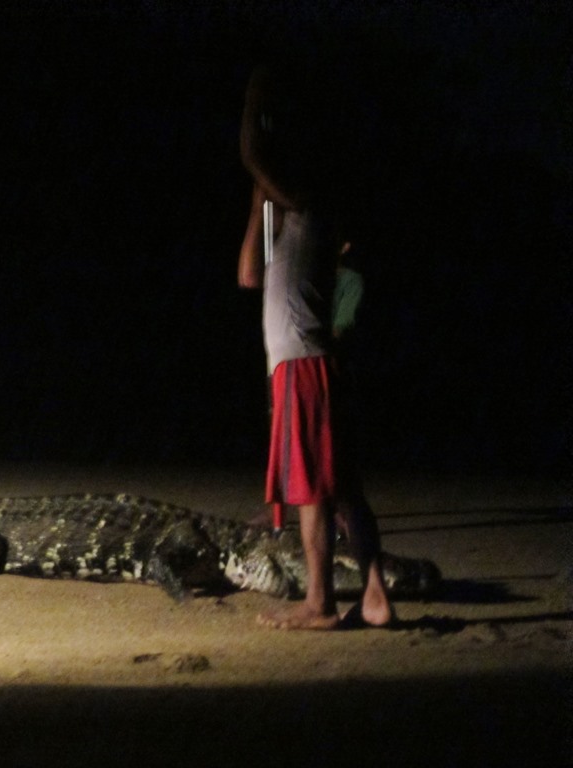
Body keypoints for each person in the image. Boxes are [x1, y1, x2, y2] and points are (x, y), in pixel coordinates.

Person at [238, 64, 393, 630]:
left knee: (312, 492)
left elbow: (254, 152)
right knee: (345, 486)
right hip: (304, 361)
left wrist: (256, 90)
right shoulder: (293, 217)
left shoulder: (312, 201)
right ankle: (375, 592)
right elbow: (250, 274)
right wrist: (258, 204)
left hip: (302, 361)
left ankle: (320, 601)